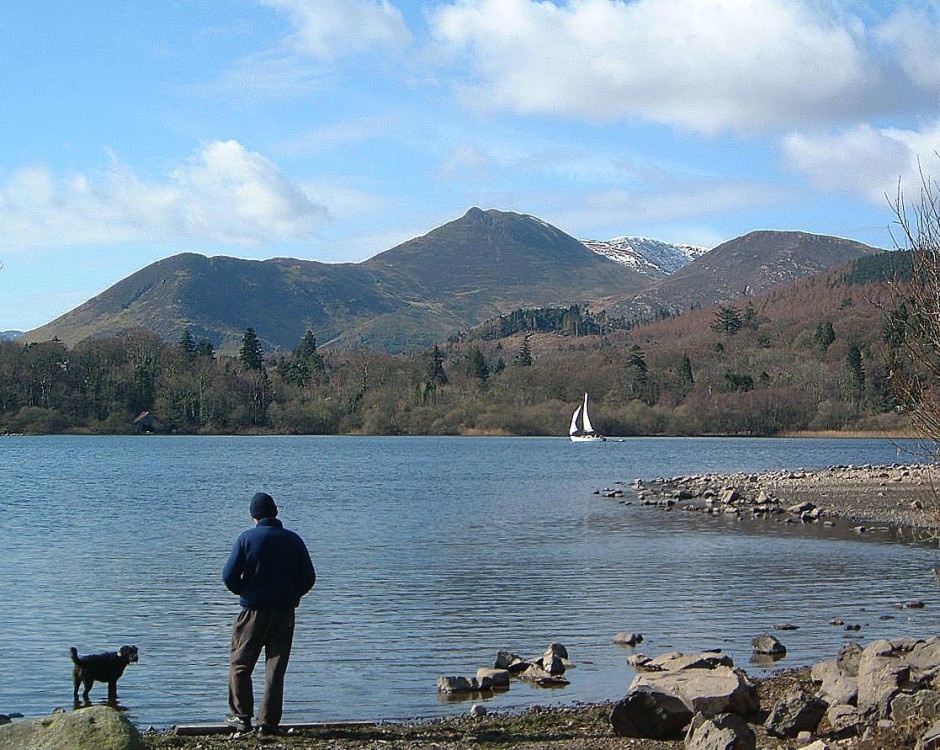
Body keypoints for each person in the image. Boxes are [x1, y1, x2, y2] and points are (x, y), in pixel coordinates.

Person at [222, 491, 316, 736]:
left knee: (240, 664)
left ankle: (242, 718)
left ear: (253, 516)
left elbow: (228, 577)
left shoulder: (246, 539)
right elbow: (309, 578)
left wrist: (245, 591)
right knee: (275, 668)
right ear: (275, 513)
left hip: (252, 611)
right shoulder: (293, 540)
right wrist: (292, 595)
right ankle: (268, 723)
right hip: (284, 612)